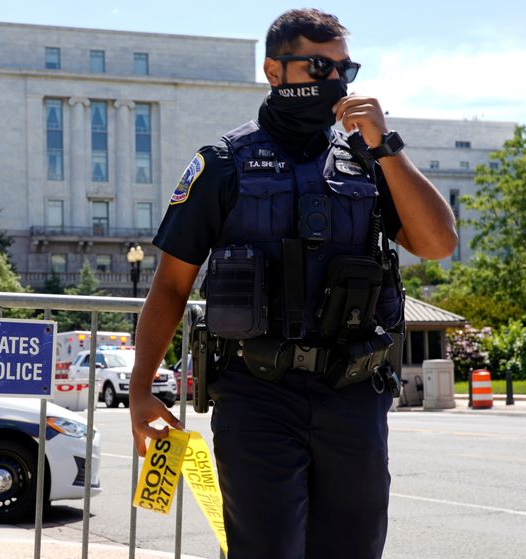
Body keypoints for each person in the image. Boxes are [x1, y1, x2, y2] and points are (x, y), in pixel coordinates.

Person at [129, 8, 457, 559]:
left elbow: (438, 243)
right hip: (257, 393)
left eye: (344, 70)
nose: (335, 80)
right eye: (319, 66)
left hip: (353, 393)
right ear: (273, 71)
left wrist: (387, 148)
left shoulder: (368, 160)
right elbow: (169, 286)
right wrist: (141, 390)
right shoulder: (223, 163)